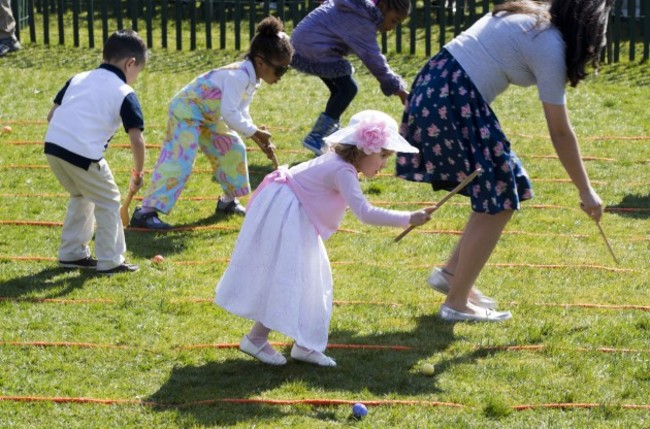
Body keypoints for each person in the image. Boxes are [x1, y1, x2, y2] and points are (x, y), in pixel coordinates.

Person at [396, 0, 609, 322]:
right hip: (453, 97)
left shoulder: (525, 16)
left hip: (435, 86)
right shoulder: (549, 43)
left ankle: (453, 275)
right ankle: (456, 303)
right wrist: (586, 191)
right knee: (501, 194)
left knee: (500, 189)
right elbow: (560, 132)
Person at [215, 110, 433, 366]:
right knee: (294, 276)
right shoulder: (343, 171)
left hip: (291, 211)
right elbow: (365, 212)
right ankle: (260, 339)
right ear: (363, 150)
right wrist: (409, 217)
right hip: (289, 215)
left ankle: (302, 344)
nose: (384, 163)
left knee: (307, 278)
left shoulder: (338, 163)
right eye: (383, 155)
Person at [130, 16, 293, 229]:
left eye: (287, 69)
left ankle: (227, 201)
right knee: (180, 160)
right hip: (187, 111)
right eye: (280, 69)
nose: (282, 75)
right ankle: (145, 212)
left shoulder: (253, 79)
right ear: (260, 62)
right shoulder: (239, 76)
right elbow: (230, 113)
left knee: (233, 148)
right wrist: (254, 132)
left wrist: (255, 135)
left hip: (208, 115)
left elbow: (240, 111)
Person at [44, 29, 147, 274]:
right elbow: (137, 139)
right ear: (130, 63)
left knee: (82, 195)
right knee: (109, 200)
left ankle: (72, 253)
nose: (135, 78)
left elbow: (51, 115)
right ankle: (111, 260)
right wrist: (139, 172)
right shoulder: (125, 93)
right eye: (138, 72)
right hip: (83, 155)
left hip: (53, 146)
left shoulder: (78, 78)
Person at [290, 0, 411, 155]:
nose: (392, 27)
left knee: (339, 90)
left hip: (305, 43)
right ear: (382, 8)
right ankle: (317, 137)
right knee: (349, 89)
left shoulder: (357, 9)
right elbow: (374, 59)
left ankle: (326, 136)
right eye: (393, 20)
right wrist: (399, 90)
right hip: (314, 47)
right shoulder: (361, 20)